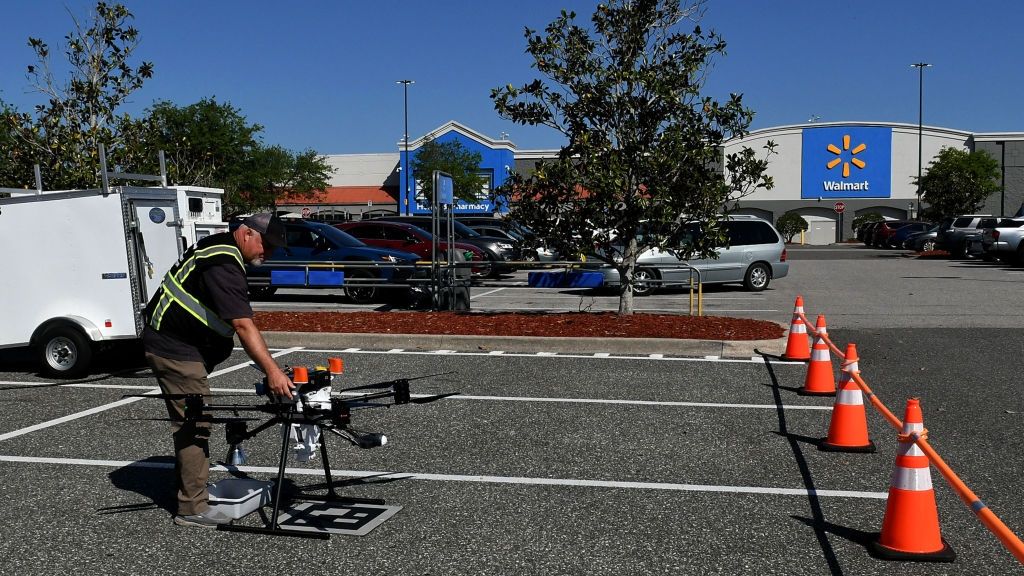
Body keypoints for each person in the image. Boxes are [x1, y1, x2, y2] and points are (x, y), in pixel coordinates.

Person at [142, 212, 295, 528]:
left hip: (181, 346)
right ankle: (191, 507)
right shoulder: (224, 262)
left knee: (194, 418)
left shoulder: (222, 250)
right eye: (266, 244)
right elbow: (242, 324)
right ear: (246, 233)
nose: (269, 252)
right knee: (195, 423)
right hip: (175, 349)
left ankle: (190, 488)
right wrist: (272, 371)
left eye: (275, 248)